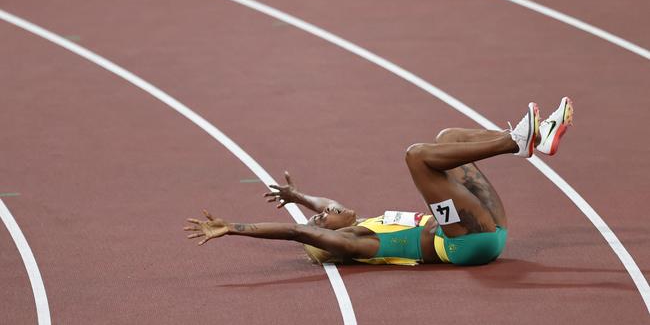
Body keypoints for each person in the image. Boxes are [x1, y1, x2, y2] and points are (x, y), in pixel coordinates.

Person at [184, 98, 573, 266]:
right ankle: (517, 141)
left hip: (483, 229)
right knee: (416, 156)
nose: (326, 212)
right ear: (328, 239)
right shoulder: (351, 242)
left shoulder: (349, 221)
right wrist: (233, 228)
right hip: (465, 244)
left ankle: (529, 138)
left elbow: (327, 208)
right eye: (322, 221)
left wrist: (299, 196)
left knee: (447, 138)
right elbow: (296, 233)